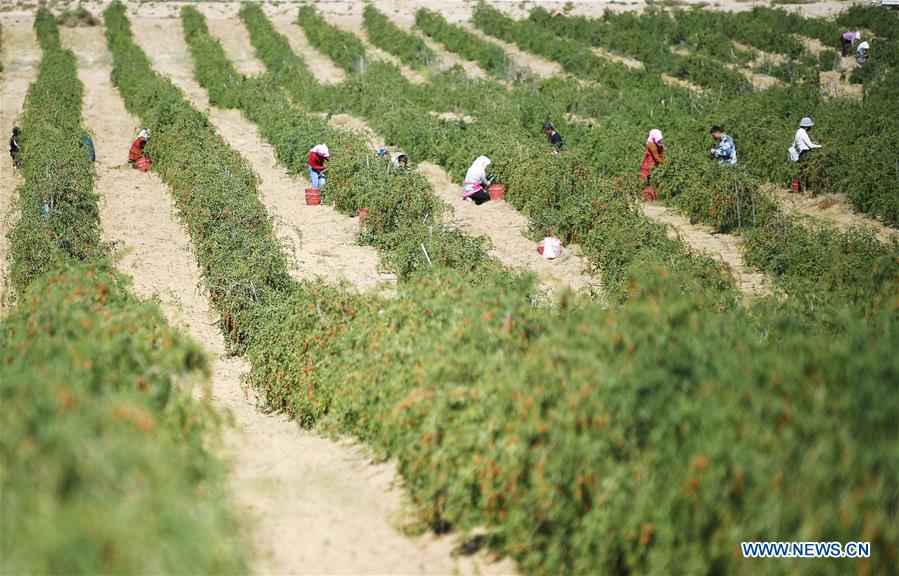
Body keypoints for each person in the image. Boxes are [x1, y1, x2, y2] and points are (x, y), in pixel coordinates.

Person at [788, 117, 823, 194]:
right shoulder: (804, 134)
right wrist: (821, 146)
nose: (811, 127)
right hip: (805, 154)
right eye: (810, 126)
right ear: (807, 126)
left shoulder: (798, 132)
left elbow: (798, 143)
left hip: (800, 153)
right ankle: (806, 189)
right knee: (806, 172)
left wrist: (812, 142)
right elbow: (810, 146)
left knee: (800, 171)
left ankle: (797, 189)